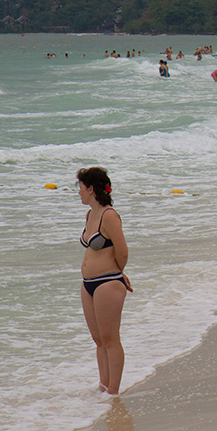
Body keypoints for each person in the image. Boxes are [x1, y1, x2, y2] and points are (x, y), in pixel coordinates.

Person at [76, 167, 132, 395]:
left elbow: (123, 251)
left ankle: (114, 394)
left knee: (110, 339)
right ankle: (103, 388)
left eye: (80, 188)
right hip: (88, 283)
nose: (78, 193)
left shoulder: (110, 215)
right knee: (98, 340)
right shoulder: (90, 215)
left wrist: (119, 272)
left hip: (108, 282)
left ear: (91, 189)